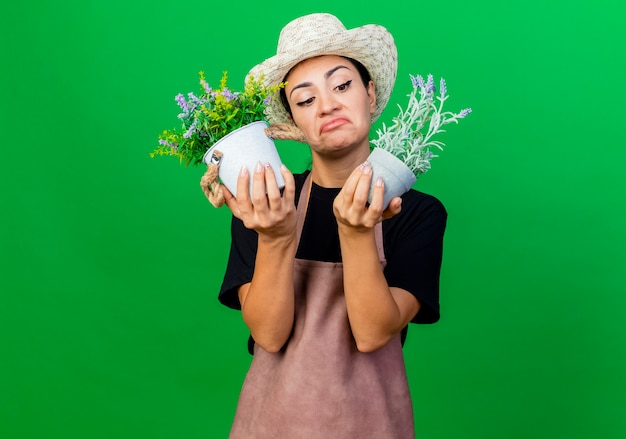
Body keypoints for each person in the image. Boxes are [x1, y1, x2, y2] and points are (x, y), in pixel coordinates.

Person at [217, 13, 447, 439]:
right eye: (305, 100)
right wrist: (275, 236)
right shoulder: (265, 207)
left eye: (342, 85)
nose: (327, 105)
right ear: (292, 123)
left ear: (369, 91)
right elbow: (268, 334)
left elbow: (374, 332)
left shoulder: (417, 212)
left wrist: (358, 233)